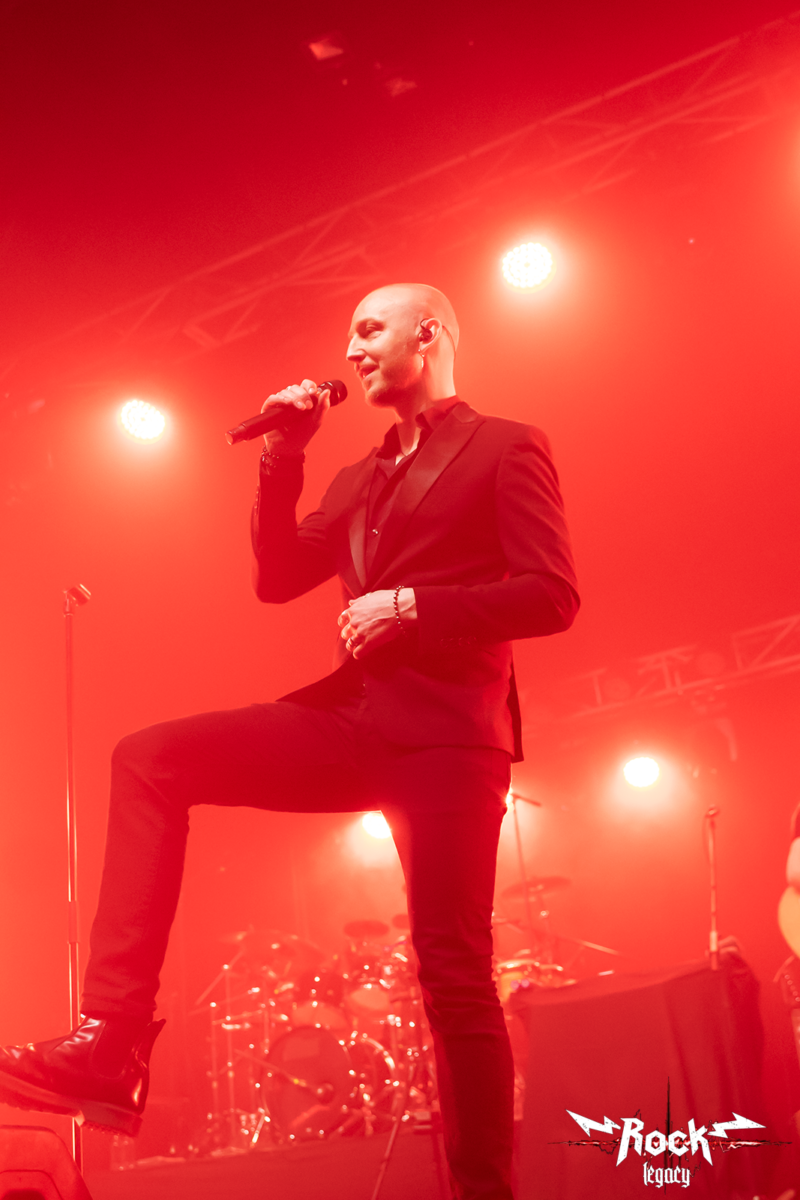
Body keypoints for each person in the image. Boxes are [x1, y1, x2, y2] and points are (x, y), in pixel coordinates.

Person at [0, 283, 579, 1200]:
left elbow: (552, 594)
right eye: (350, 333)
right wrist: (285, 453)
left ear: (429, 334)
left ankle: (483, 1192)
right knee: (149, 758)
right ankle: (112, 1040)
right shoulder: (358, 478)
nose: (351, 349)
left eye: (369, 329)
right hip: (354, 720)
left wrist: (415, 607)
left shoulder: (506, 446)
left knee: (453, 968)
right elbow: (275, 578)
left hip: (449, 736)